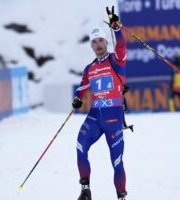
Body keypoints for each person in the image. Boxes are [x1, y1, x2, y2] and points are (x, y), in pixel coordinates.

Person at [72, 6, 128, 200]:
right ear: (91, 45)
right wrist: (78, 97)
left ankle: (121, 197)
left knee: (117, 161)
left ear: (106, 42)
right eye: (94, 42)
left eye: (101, 40)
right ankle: (85, 190)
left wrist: (116, 29)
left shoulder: (115, 60)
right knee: (80, 147)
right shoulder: (90, 68)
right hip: (95, 116)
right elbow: (82, 86)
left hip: (113, 116)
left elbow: (121, 46)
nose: (98, 44)